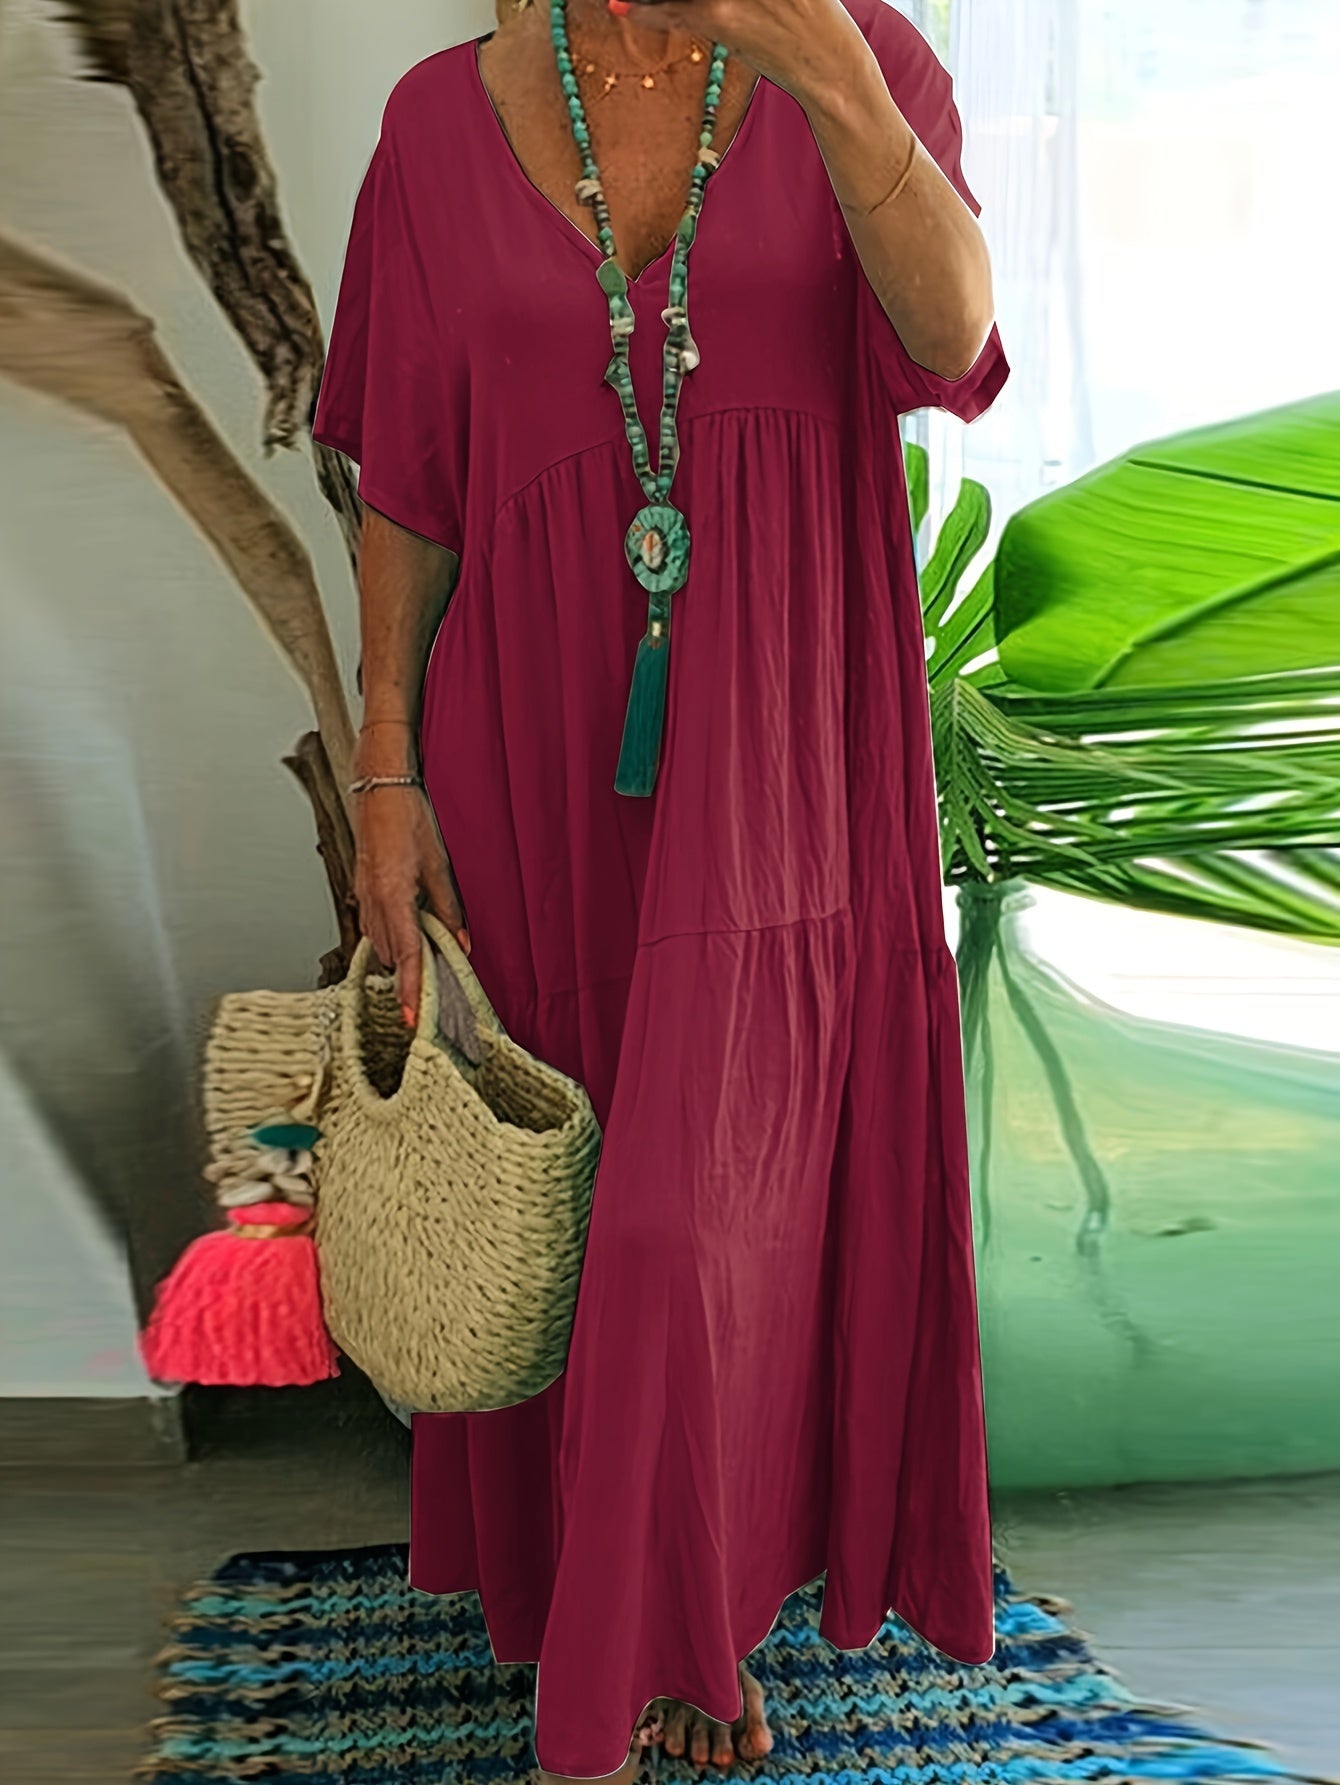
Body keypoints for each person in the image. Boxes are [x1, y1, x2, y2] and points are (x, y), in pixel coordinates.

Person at [310, 0, 1009, 1778]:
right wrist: (384, 764)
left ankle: (632, 1656)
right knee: (585, 1180)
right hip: (528, 733)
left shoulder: (864, 55)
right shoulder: (437, 121)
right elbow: (410, 483)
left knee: (695, 1214)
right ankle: (664, 1604)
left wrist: (826, 70)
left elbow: (952, 339)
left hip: (785, 721)